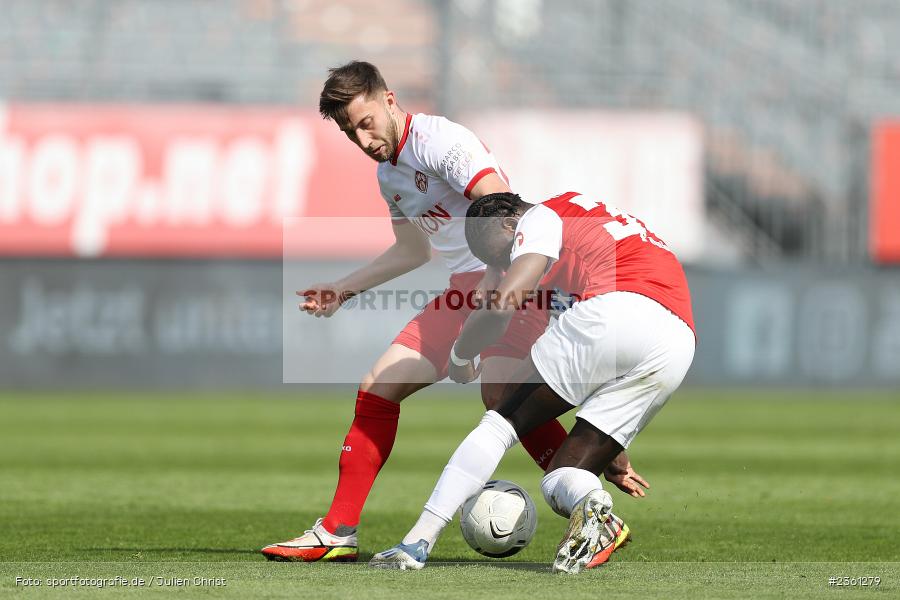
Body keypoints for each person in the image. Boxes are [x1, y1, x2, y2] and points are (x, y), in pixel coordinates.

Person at [261, 62, 577, 562]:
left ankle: (590, 506)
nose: (362, 140)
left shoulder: (439, 141)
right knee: (392, 389)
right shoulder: (389, 175)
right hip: (463, 289)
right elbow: (412, 251)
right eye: (349, 133)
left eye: (365, 123)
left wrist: (492, 301)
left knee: (502, 399)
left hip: (506, 282)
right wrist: (343, 290)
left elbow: (500, 207)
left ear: (389, 99)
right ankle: (338, 530)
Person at [370, 191, 695, 573]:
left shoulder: (540, 218)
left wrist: (459, 356)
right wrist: (611, 446)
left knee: (499, 423)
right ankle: (596, 511)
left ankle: (416, 542)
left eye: (501, 255)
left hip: (618, 309)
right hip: (677, 339)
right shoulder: (585, 224)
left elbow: (504, 305)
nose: (506, 264)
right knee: (562, 476)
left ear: (510, 224)